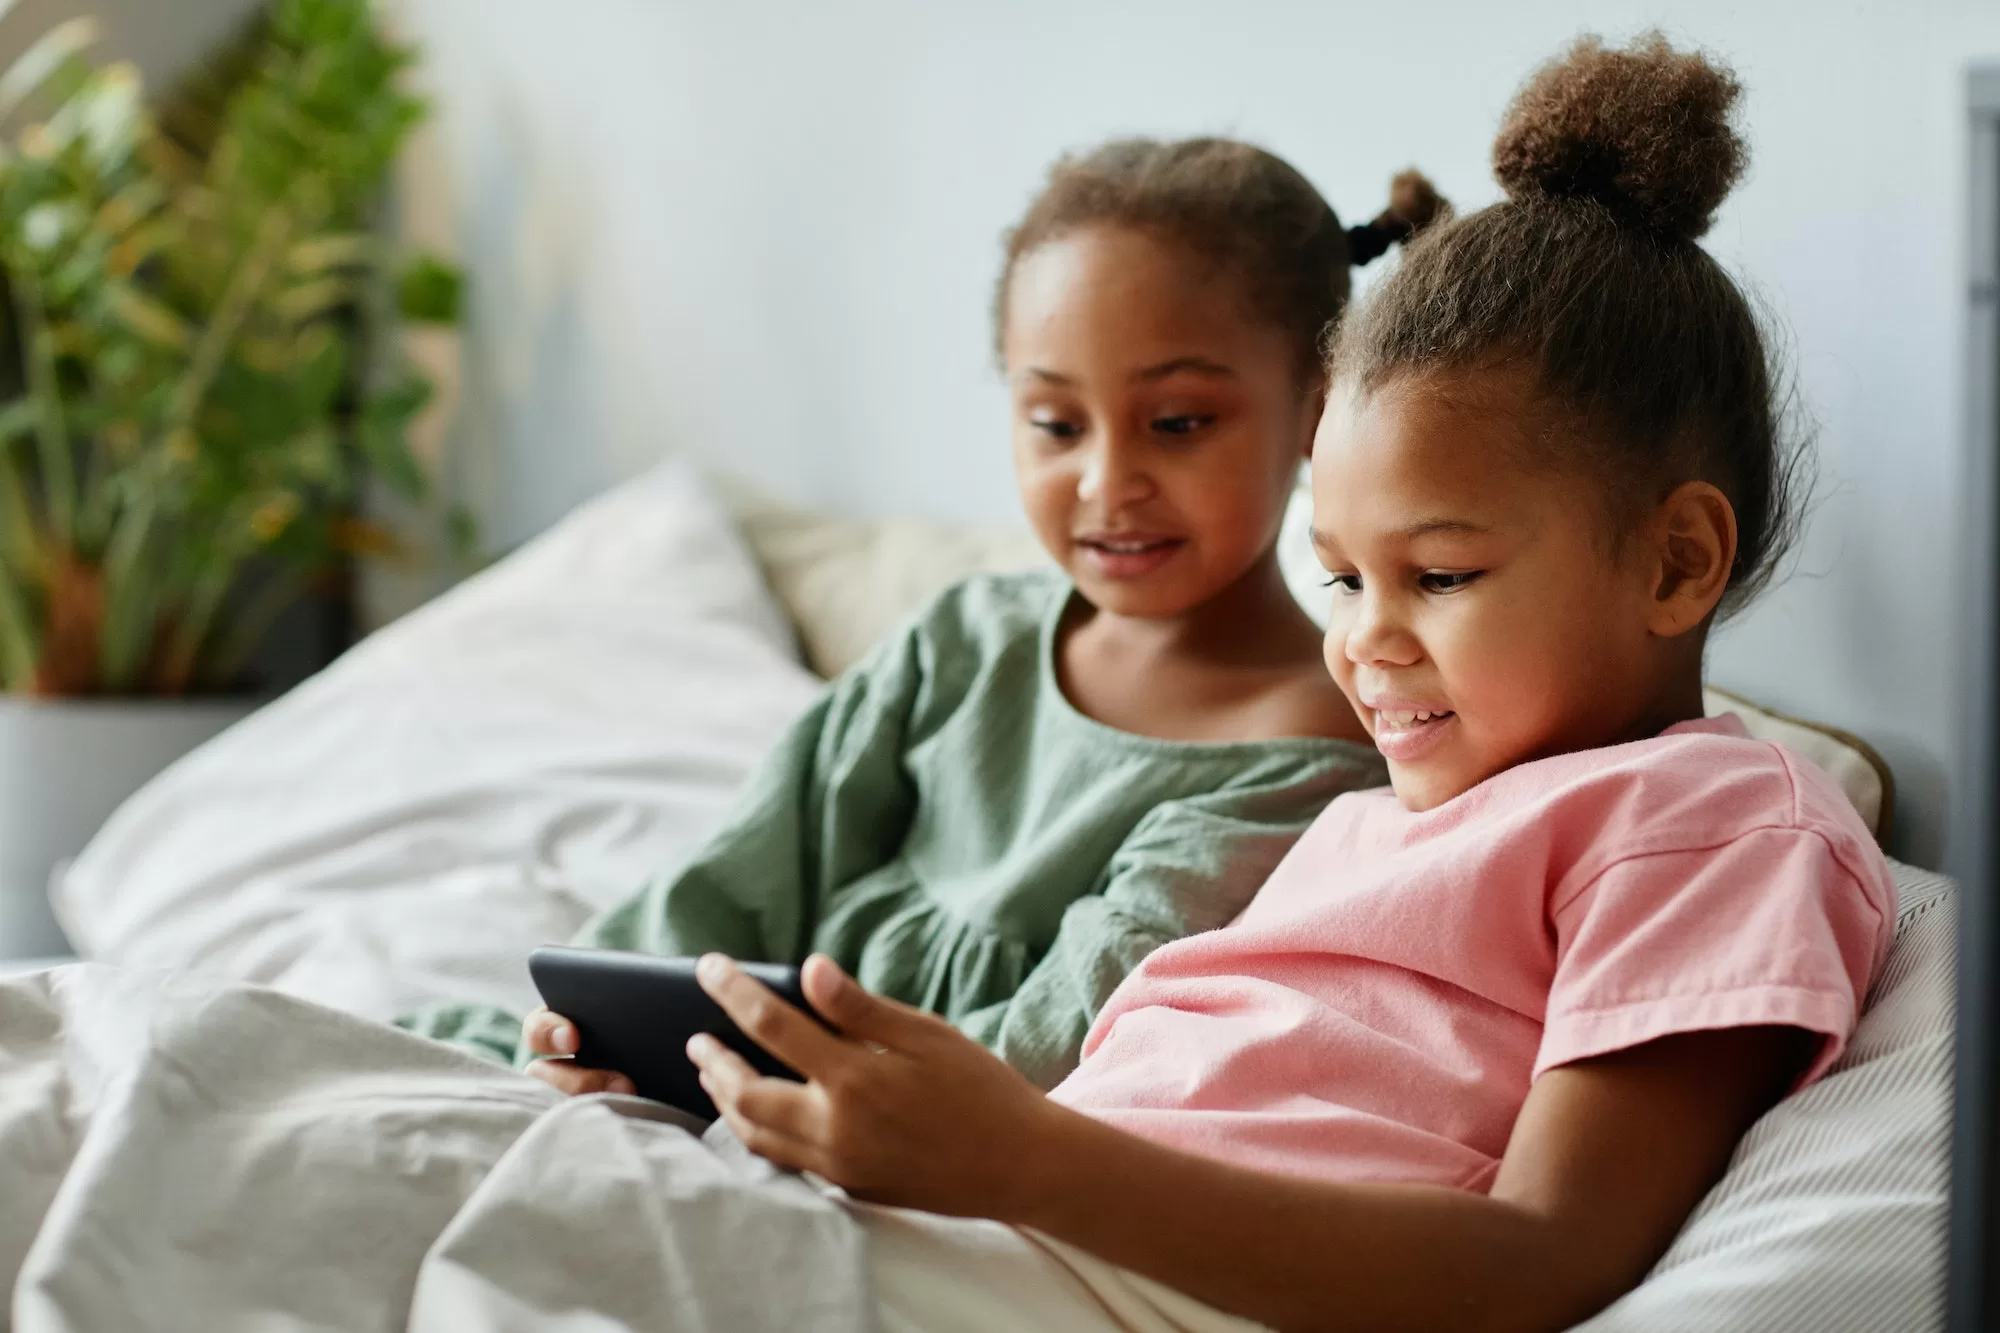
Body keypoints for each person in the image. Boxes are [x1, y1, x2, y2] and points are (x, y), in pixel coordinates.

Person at [598, 34, 1897, 1333]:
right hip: (1017, 1223)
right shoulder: (1392, 818)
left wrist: (1016, 1157)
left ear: (1677, 560)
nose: (1364, 643)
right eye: (1342, 577)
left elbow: (1542, 1256)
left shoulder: (1710, 824)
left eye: (1438, 576)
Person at [412, 139, 1440, 1089]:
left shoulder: (1306, 751)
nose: (1105, 482)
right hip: (732, 1067)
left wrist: (795, 1085)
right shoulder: (965, 638)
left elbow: (1057, 1038)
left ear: (1315, 407)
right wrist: (587, 1015)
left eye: (1176, 422)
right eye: (1053, 422)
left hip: (907, 1124)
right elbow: (746, 871)